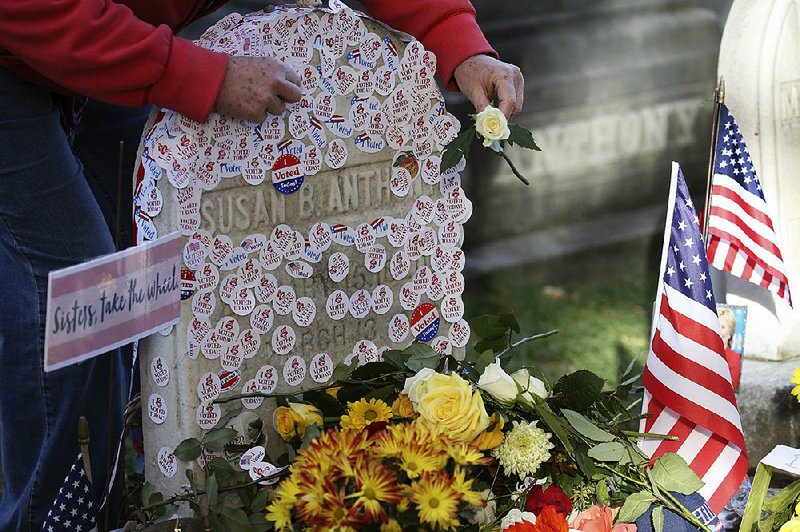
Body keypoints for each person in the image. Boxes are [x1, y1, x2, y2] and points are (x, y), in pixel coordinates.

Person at [0, 0, 525, 529]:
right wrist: (195, 73)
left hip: (108, 33)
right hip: (28, 34)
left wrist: (459, 44)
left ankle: (125, 494)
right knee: (80, 306)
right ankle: (54, 520)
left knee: (137, 295)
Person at [718, 308, 741, 391]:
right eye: (716, 326)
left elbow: (733, 388)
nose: (718, 331)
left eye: (723, 327)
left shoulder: (734, 358)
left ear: (730, 333)